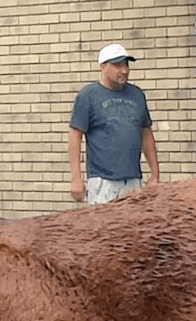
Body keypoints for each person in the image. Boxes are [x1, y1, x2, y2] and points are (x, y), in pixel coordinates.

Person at [68, 43, 160, 204]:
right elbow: (75, 137)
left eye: (126, 65)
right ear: (102, 66)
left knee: (134, 228)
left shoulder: (137, 95)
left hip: (133, 181)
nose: (124, 70)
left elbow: (146, 134)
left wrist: (155, 174)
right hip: (103, 182)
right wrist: (76, 178)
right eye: (117, 65)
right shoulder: (88, 96)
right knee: (101, 228)